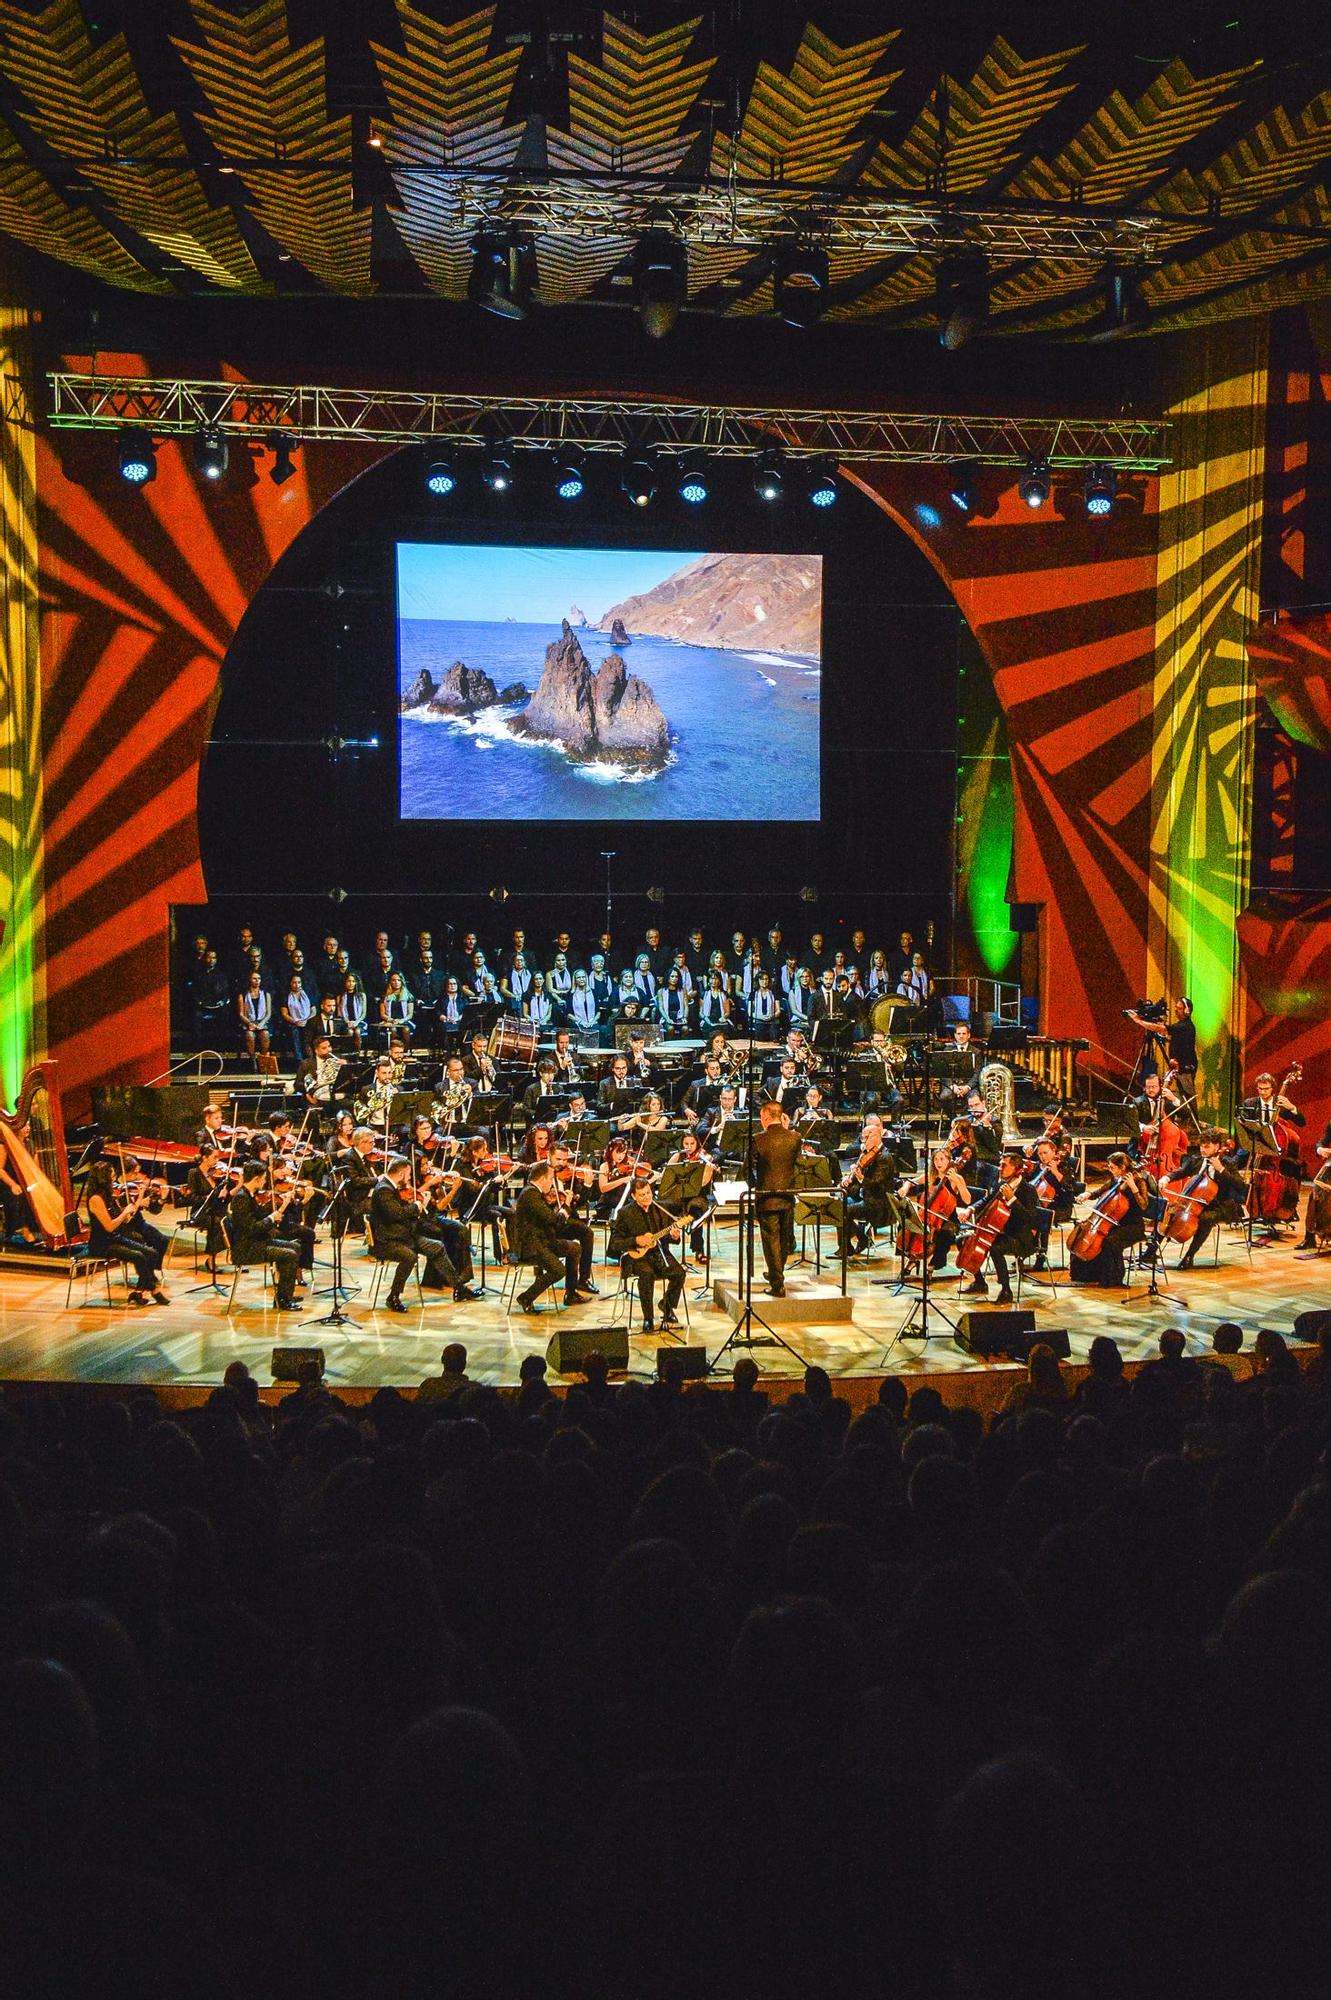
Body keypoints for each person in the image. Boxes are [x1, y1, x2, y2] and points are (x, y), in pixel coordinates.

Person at [369, 1154, 457, 1312]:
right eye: (409, 1174)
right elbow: (396, 1214)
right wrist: (417, 1205)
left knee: (437, 1246)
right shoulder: (384, 1190)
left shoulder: (390, 1187)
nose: (410, 1177)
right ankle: (393, 1297)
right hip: (387, 1241)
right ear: (401, 1174)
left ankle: (459, 1288)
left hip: (402, 1235)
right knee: (409, 1257)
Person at [511, 1162, 595, 1313]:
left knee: (575, 1248)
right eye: (550, 1179)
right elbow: (555, 1221)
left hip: (544, 1240)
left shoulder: (535, 1194)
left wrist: (553, 1203)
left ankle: (571, 1293)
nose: (551, 1183)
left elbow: (549, 1221)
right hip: (531, 1245)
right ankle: (526, 1297)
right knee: (558, 1270)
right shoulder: (530, 1194)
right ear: (542, 1179)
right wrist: (566, 1206)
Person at [83, 1160, 169, 1306]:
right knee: (139, 1256)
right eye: (111, 1174)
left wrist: (137, 1201)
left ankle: (139, 1292)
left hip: (114, 1238)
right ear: (103, 1177)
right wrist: (124, 1214)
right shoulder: (95, 1199)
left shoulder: (107, 1195)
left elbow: (125, 1219)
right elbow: (109, 1226)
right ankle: (154, 1291)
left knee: (152, 1253)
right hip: (102, 1243)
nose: (114, 1176)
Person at [961, 1151, 1040, 1306]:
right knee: (962, 1241)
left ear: (1017, 1169)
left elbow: (1030, 1218)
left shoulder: (1028, 1190)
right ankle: (979, 1282)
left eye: (1004, 1165)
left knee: (995, 1248)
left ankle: (1006, 1291)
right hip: (1001, 1233)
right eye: (1000, 1164)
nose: (1000, 1168)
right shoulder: (1001, 1184)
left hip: (1021, 1238)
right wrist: (970, 1209)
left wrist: (1012, 1200)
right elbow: (986, 1200)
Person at [608, 1176, 685, 1332]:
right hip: (637, 1257)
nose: (647, 1197)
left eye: (649, 1192)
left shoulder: (660, 1209)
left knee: (679, 1273)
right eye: (642, 1194)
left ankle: (667, 1306)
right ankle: (648, 1318)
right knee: (646, 1275)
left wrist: (675, 1236)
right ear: (634, 1197)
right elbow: (615, 1244)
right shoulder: (625, 1213)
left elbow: (668, 1237)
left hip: (660, 1253)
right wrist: (636, 1240)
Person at [226, 1158, 303, 1310]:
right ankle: (283, 1300)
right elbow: (251, 1229)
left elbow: (262, 1217)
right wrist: (271, 1218)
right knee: (289, 1255)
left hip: (257, 1242)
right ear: (256, 1179)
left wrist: (282, 1206)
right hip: (247, 1248)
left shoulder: (250, 1195)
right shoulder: (242, 1198)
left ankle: (285, 1293)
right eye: (263, 1179)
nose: (265, 1182)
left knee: (295, 1245)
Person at [1170, 1127, 1249, 1270]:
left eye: (1207, 1146)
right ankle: (1151, 1252)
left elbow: (1241, 1187)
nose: (1202, 1149)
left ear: (1217, 1146)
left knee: (1206, 1218)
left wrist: (1221, 1170)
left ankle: (1189, 1255)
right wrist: (1166, 1178)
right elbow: (1181, 1172)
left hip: (1221, 1205)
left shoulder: (1227, 1163)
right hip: (1196, 1203)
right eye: (1201, 1145)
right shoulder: (1196, 1160)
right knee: (1170, 1213)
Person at [751, 1099, 801, 1297]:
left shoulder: (757, 1139)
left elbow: (749, 1170)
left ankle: (777, 1284)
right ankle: (776, 1272)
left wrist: (756, 1187)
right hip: (787, 1196)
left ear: (764, 1117)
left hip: (766, 1197)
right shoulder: (795, 1137)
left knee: (771, 1240)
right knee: (784, 1239)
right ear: (782, 1117)